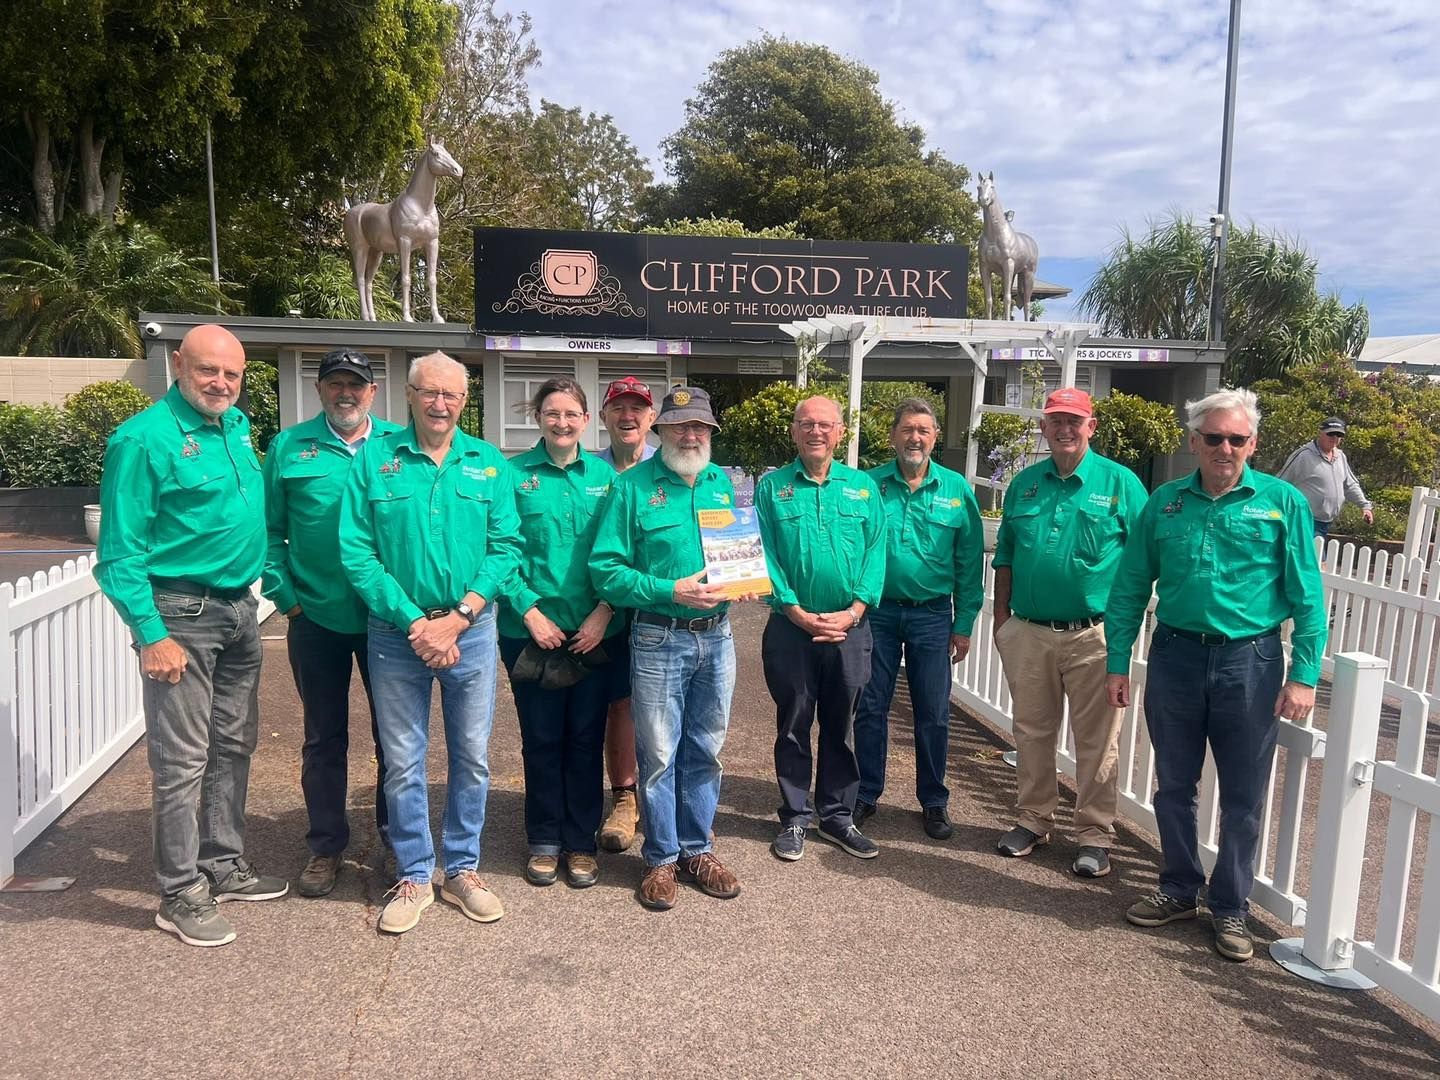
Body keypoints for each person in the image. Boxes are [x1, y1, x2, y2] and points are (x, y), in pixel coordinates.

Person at [1106, 388, 1325, 962]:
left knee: (1244, 796)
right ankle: (1179, 887)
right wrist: (1117, 660)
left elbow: (1307, 596)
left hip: (1249, 662)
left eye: (1236, 438)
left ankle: (1231, 908)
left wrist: (1303, 674)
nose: (1224, 448)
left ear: (1252, 444)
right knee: (1173, 785)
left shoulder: (1282, 503)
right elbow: (1130, 587)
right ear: (1194, 442)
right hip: (1176, 655)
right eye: (1213, 438)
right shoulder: (1166, 503)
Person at [95, 323, 287, 948]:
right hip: (179, 614)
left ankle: (222, 863)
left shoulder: (234, 428)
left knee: (233, 745)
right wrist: (151, 633)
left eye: (232, 374)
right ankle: (178, 891)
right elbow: (119, 554)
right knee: (181, 761)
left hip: (237, 612)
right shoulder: (143, 440)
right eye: (209, 370)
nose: (221, 383)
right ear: (179, 364)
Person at [339, 351, 522, 934]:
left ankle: (463, 869)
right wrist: (417, 621)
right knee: (403, 761)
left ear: (465, 402)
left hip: (471, 630)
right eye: (429, 393)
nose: (440, 404)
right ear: (410, 396)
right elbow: (357, 553)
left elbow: (506, 546)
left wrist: (462, 615)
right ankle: (416, 873)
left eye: (452, 395)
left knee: (471, 757)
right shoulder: (375, 461)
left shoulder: (488, 464)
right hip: (398, 636)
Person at [590, 386, 742, 911]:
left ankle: (697, 849)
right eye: (679, 426)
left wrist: (745, 580)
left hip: (718, 637)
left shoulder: (725, 483)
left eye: (699, 426)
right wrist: (668, 590)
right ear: (662, 432)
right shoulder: (631, 488)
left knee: (706, 750)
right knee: (658, 756)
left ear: (710, 433)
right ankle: (660, 857)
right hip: (658, 636)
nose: (691, 434)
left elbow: (745, 554)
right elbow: (605, 570)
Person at [991, 387, 1147, 878]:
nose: (1064, 429)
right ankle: (1033, 819)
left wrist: (1125, 633)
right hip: (1030, 630)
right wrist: (1002, 620)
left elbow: (1144, 564)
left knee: (1097, 740)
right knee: (1031, 730)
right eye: (1056, 420)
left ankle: (1094, 834)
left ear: (1091, 427)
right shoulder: (1025, 485)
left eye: (1074, 421)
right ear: (1043, 427)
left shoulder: (1121, 485)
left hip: (1093, 635)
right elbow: (1008, 556)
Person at [262, 347, 401, 898]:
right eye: (335, 383)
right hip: (315, 617)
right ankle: (326, 846)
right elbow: (269, 533)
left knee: (396, 738)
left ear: (373, 392)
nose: (347, 393)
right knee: (323, 737)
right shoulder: (289, 447)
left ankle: (398, 841)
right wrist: (287, 598)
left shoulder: (397, 445)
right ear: (320, 390)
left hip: (386, 619)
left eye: (357, 385)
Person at [499, 377, 620, 889]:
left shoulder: (608, 479)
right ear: (539, 418)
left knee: (586, 739)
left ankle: (580, 842)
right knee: (542, 739)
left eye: (572, 414)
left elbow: (624, 550)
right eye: (552, 413)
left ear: (587, 420)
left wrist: (603, 613)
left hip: (593, 631)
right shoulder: (511, 476)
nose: (562, 422)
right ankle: (544, 839)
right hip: (530, 632)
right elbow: (499, 551)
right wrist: (529, 612)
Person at [755, 396, 886, 863]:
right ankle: (794, 817)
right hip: (791, 627)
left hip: (850, 627)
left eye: (825, 425)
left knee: (842, 724)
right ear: (793, 431)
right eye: (806, 424)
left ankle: (837, 817)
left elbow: (876, 554)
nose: (816, 432)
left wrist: (852, 612)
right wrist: (793, 609)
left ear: (841, 432)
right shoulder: (771, 488)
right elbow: (764, 554)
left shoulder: (863, 487)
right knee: (793, 723)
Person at [853, 398, 983, 840]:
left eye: (924, 431)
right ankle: (866, 793)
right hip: (879, 614)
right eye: (907, 429)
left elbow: (968, 562)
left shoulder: (956, 490)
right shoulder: (868, 486)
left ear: (935, 438)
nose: (915, 438)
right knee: (871, 707)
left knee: (933, 711)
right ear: (892, 436)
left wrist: (963, 623)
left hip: (932, 617)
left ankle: (934, 800)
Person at [593, 375, 657, 853]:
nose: (628, 416)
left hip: (659, 609)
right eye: (618, 408)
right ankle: (624, 798)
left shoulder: (673, 468)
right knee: (617, 703)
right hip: (602, 609)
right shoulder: (589, 471)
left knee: (657, 708)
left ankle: (662, 799)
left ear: (652, 419)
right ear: (604, 418)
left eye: (638, 408)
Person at [1276, 416, 1373, 538]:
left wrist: (1365, 506)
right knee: (1315, 556)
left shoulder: (1340, 457)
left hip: (1325, 523)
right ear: (1320, 433)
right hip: (1303, 521)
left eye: (1339, 435)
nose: (1335, 438)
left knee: (1318, 555)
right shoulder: (1304, 456)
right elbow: (1281, 483)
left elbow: (1350, 485)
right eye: (1331, 434)